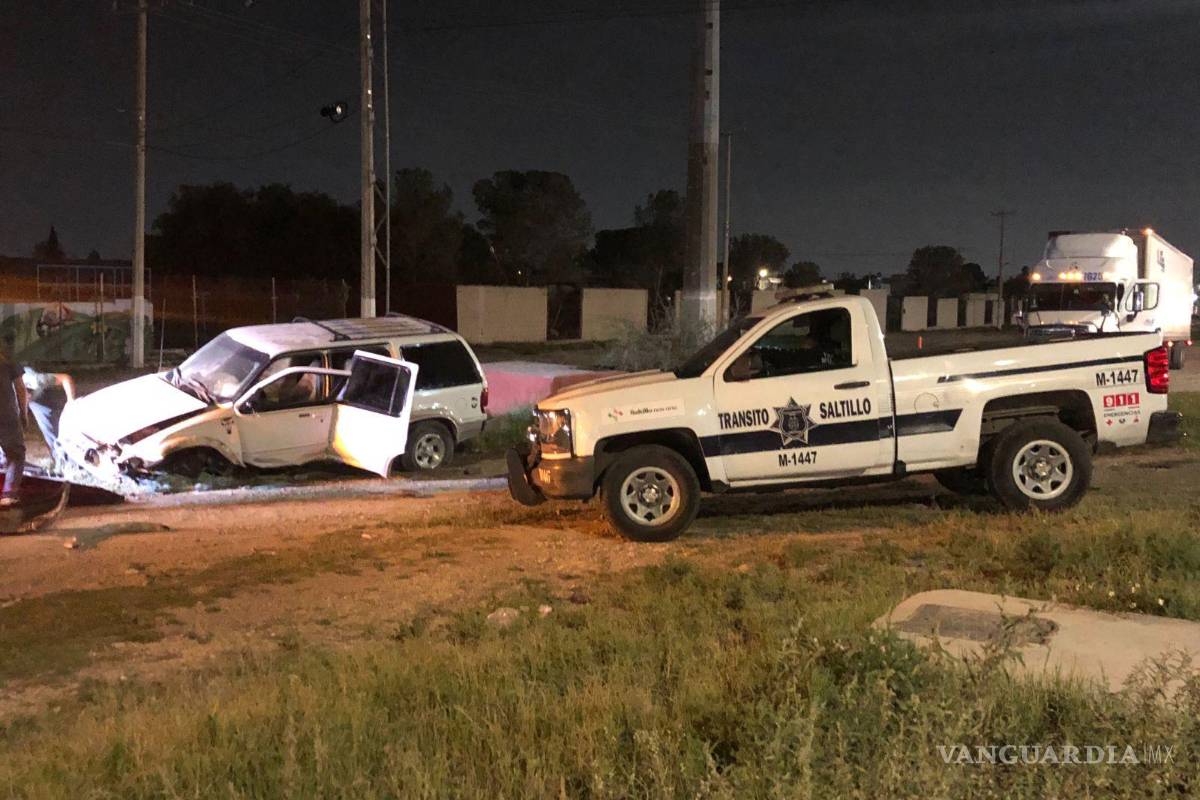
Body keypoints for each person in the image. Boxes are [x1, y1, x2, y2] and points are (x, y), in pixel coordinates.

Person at [22, 366, 75, 463]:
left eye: (27, 397)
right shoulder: (7, 392)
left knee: (50, 430)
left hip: (38, 397)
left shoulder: (36, 381)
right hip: (13, 396)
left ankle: (63, 461)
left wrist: (70, 401)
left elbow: (65, 378)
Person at [0, 335, 28, 506]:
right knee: (15, 455)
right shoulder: (7, 360)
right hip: (6, 414)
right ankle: (8, 497)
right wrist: (23, 413)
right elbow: (21, 389)